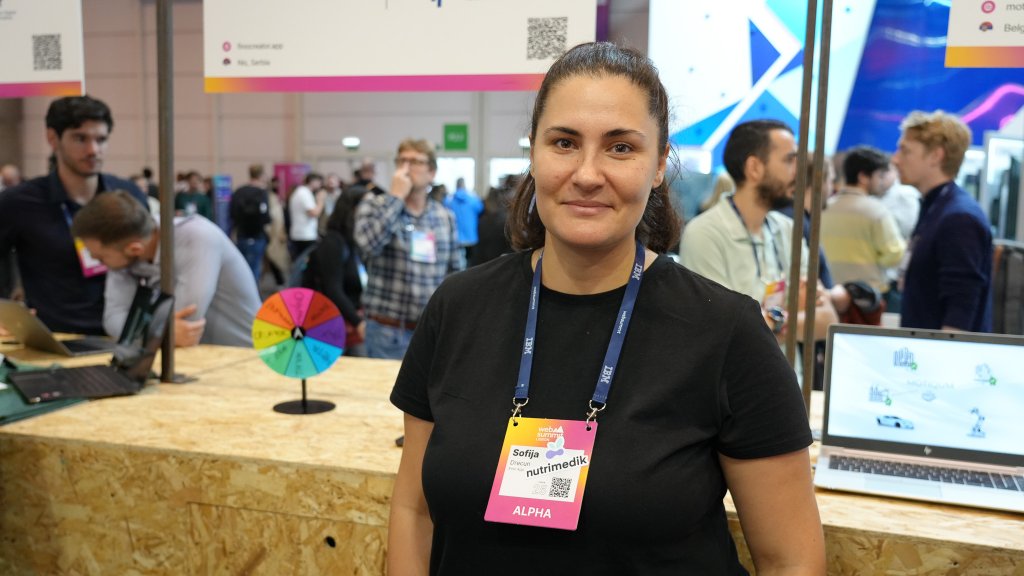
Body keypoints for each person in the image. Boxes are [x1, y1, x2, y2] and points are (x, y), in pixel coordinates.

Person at [388, 43, 824, 575]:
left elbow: (790, 560)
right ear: (534, 154)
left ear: (659, 164)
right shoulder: (458, 308)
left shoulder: (727, 331)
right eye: (564, 143)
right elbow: (414, 511)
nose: (588, 173)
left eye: (620, 148)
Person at [0, 95, 149, 335]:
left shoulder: (129, 196)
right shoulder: (19, 202)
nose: (93, 150)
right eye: (80, 138)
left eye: (101, 140)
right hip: (53, 338)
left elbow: (152, 262)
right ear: (53, 138)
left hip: (126, 336)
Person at [680, 120, 837, 345]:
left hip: (788, 368)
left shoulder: (788, 229)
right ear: (754, 168)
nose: (797, 173)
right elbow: (723, 331)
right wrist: (787, 319)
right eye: (789, 160)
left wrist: (770, 322)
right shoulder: (705, 234)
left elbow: (826, 320)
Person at [70, 190, 261, 347]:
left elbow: (186, 321)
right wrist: (160, 331)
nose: (97, 262)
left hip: (250, 360)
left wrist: (152, 331)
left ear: (134, 249)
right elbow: (113, 319)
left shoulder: (196, 237)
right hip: (203, 360)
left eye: (101, 257)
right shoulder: (124, 250)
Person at [354, 139, 464, 360]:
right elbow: (367, 244)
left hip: (431, 331)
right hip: (387, 331)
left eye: (415, 162)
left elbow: (456, 273)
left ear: (431, 172)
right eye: (401, 161)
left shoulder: (444, 217)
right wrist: (396, 198)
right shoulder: (374, 204)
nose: (406, 168)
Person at [892, 110, 992, 332]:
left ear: (936, 156)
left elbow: (961, 307)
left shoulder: (959, 217)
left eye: (905, 150)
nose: (895, 159)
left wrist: (945, 351)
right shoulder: (936, 207)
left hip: (942, 351)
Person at [821, 146, 906, 296]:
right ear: (863, 177)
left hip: (831, 292)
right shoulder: (876, 211)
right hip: (867, 296)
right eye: (879, 176)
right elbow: (895, 254)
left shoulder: (825, 208)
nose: (882, 182)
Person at [301, 193, 366, 356]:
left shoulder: (352, 241)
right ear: (352, 211)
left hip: (350, 321)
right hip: (334, 325)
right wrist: (358, 322)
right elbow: (333, 289)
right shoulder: (333, 243)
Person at [230, 164, 272, 281]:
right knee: (254, 269)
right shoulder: (261, 193)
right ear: (262, 176)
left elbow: (232, 214)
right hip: (256, 235)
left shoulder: (239, 191)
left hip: (241, 235)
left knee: (241, 269)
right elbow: (265, 217)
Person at [288, 172, 325, 260]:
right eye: (319, 182)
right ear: (313, 181)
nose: (320, 186)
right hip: (305, 235)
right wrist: (321, 200)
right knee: (304, 262)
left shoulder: (301, 192)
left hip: (302, 234)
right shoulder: (304, 193)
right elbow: (314, 213)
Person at [445, 177, 485, 259]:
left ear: (456, 185)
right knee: (471, 261)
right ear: (464, 185)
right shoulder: (473, 199)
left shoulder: (448, 201)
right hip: (471, 236)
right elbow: (481, 209)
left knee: (456, 261)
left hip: (455, 237)